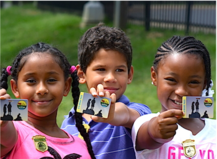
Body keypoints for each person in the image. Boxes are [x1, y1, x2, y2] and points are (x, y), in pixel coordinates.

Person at [61, 23, 151, 159]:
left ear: (129, 74)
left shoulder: (138, 112)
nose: (110, 78)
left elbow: (127, 115)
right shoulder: (68, 123)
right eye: (101, 69)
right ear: (81, 74)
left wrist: (111, 113)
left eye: (119, 70)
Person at [0, 42, 95, 159]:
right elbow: (4, 135)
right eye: (31, 81)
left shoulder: (81, 145)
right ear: (15, 88)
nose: (42, 90)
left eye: (51, 80)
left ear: (66, 86)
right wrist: (3, 122)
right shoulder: (14, 132)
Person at [131, 36, 216, 159]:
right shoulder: (145, 123)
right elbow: (148, 137)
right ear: (154, 76)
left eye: (193, 82)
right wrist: (155, 131)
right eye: (171, 80)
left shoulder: (214, 131)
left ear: (204, 84)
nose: (181, 91)